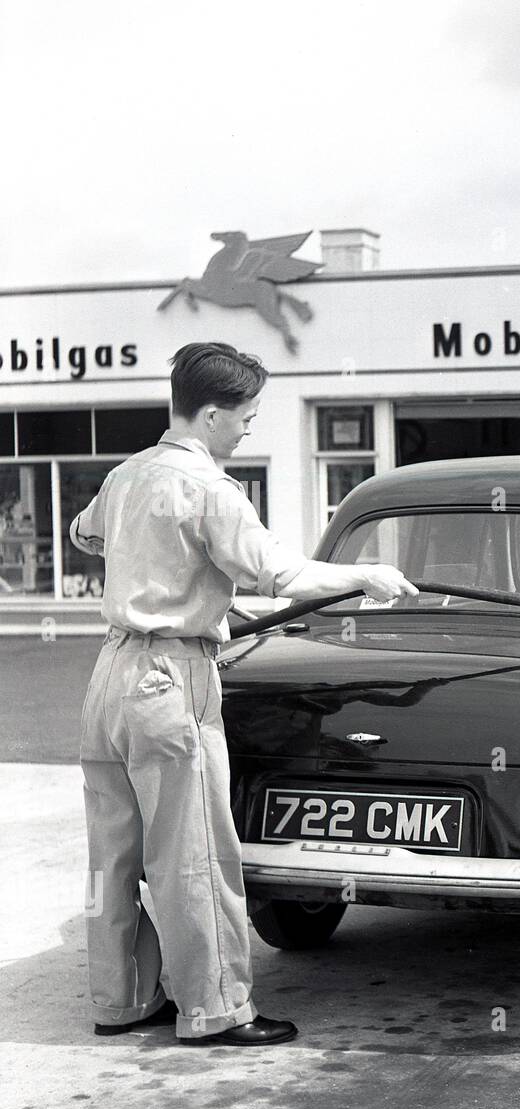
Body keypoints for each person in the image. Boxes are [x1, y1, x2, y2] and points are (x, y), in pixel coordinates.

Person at [69, 342, 417, 1046]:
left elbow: (84, 535)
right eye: (246, 418)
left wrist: (179, 582)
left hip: (108, 678)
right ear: (210, 414)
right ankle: (216, 1011)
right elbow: (277, 572)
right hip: (171, 680)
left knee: (115, 855)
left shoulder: (127, 474)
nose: (249, 429)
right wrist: (366, 576)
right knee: (192, 852)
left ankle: (124, 1001)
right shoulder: (208, 487)